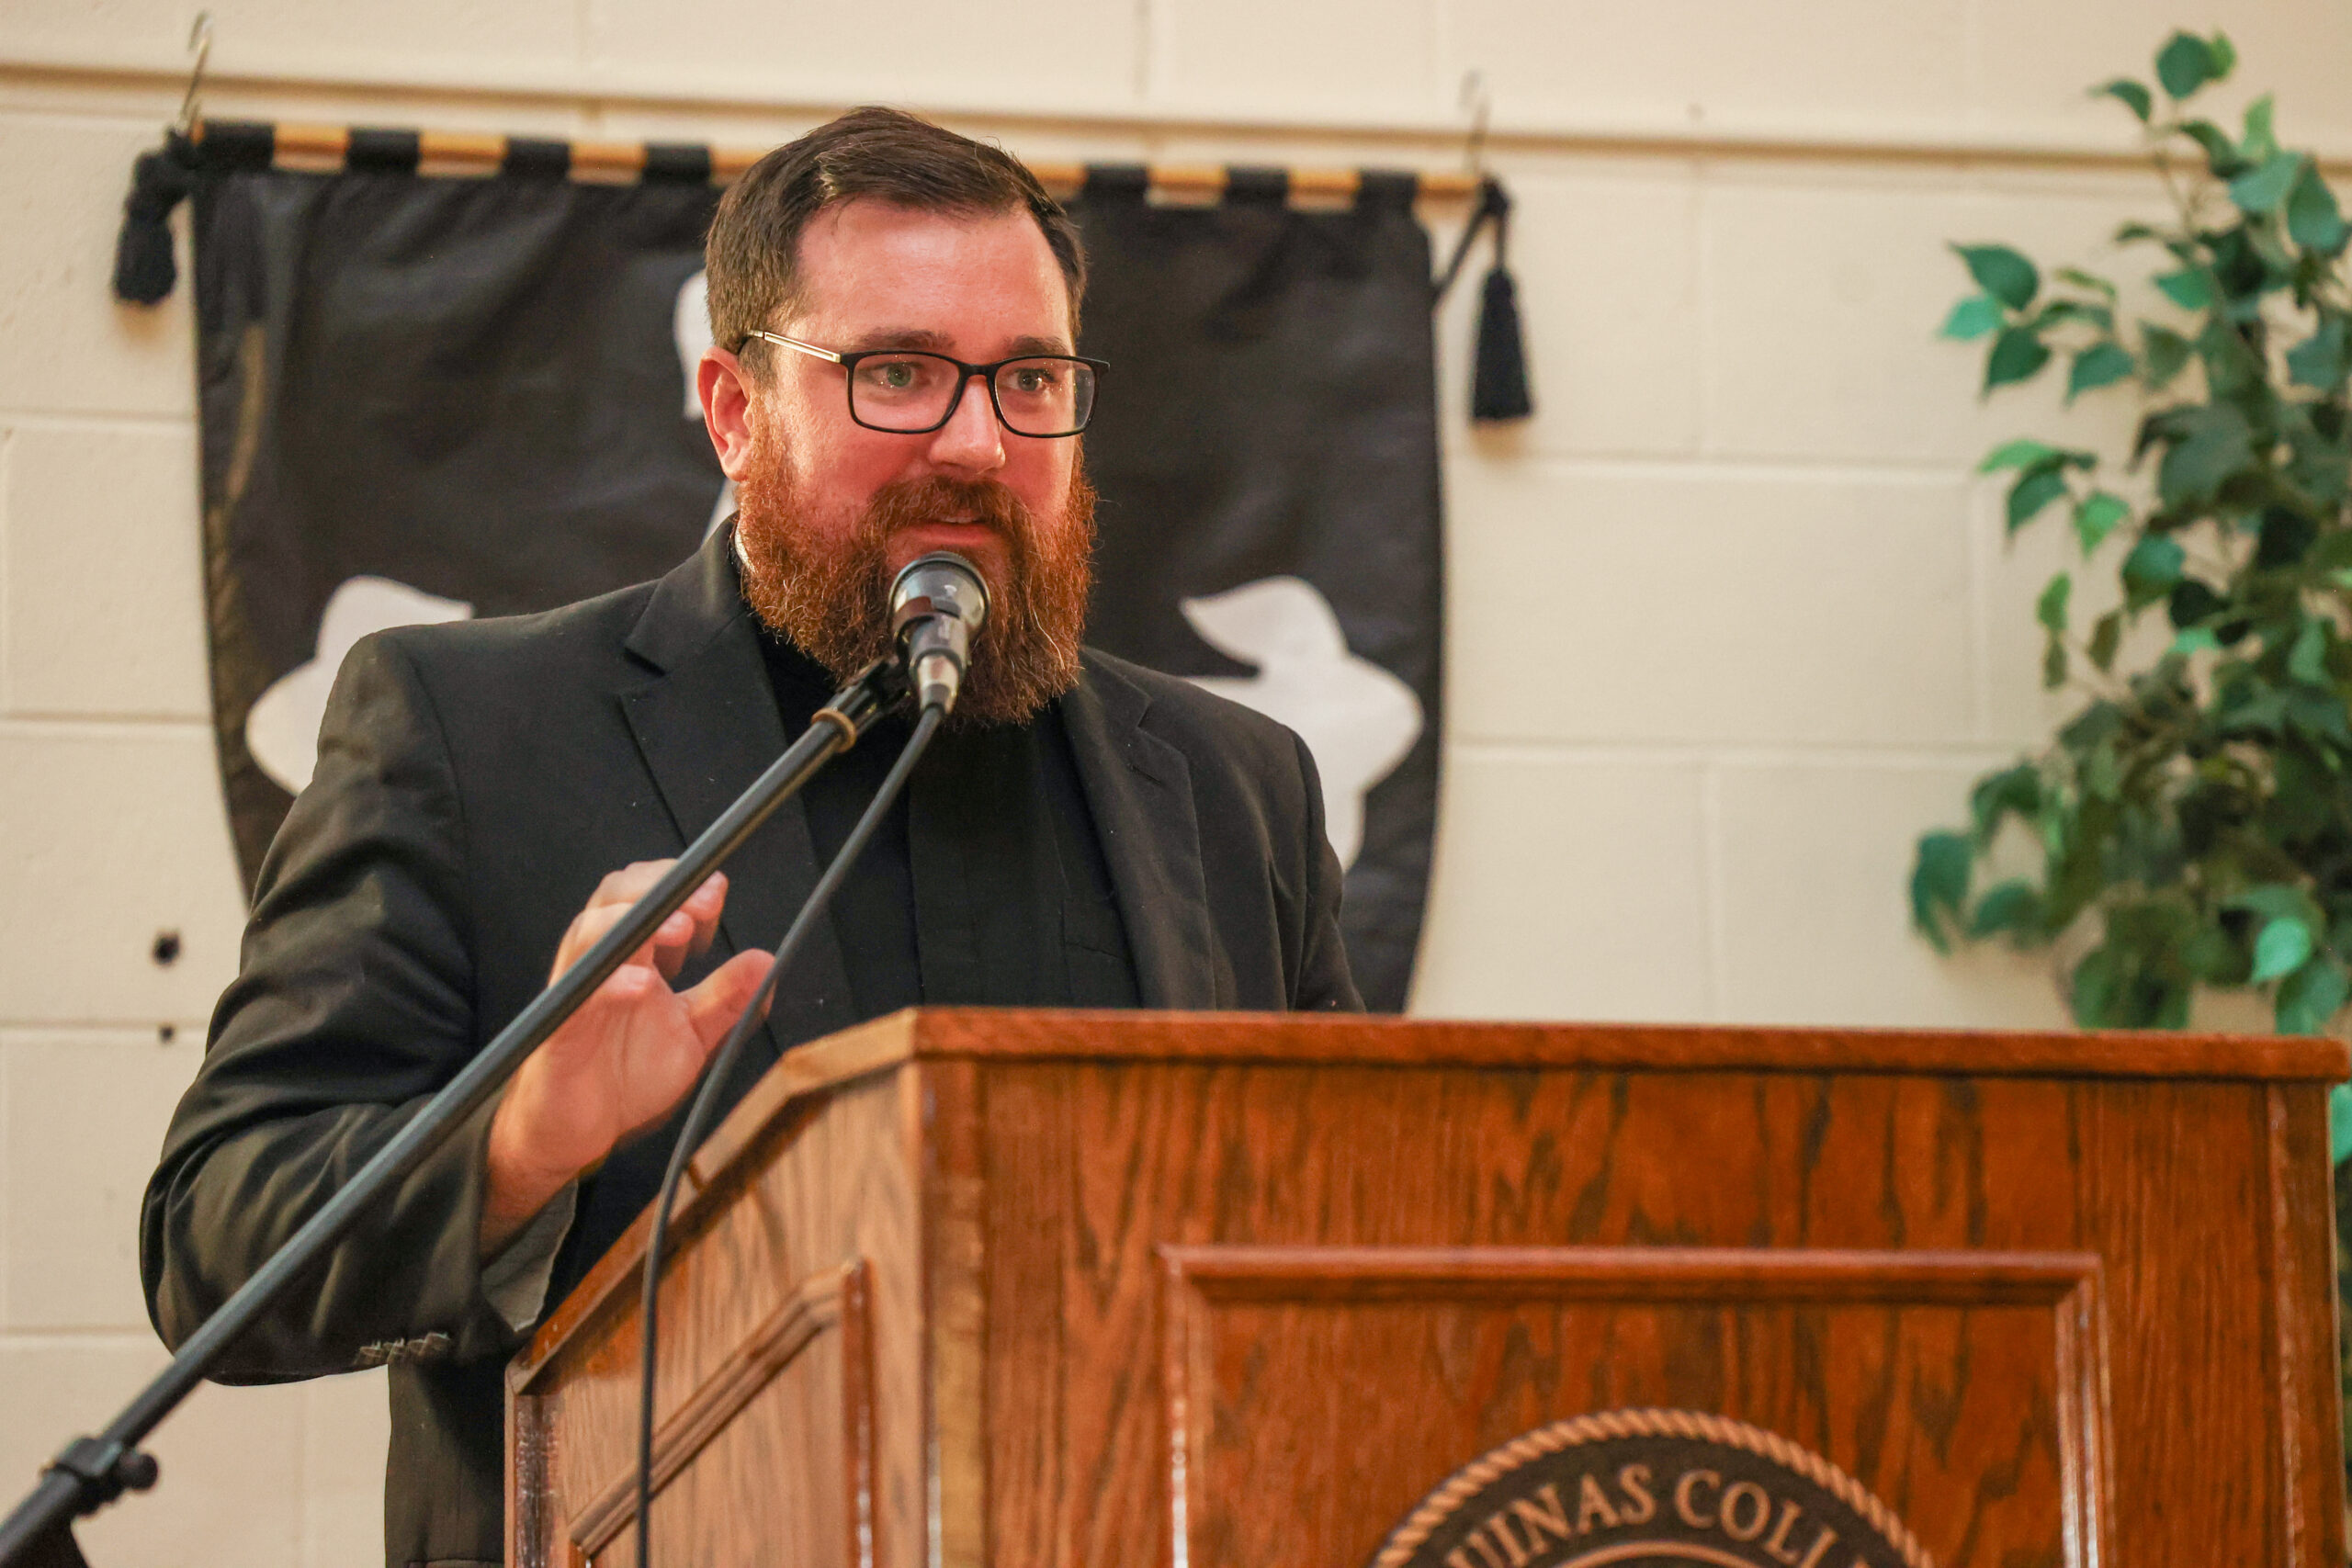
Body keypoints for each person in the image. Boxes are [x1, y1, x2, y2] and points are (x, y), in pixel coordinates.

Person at [140, 107, 1360, 1568]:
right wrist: (522, 1143)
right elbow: (215, 1249)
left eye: (1030, 378)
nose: (979, 442)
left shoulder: (1236, 786)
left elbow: (1341, 1244)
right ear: (734, 410)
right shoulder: (470, 731)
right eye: (898, 373)